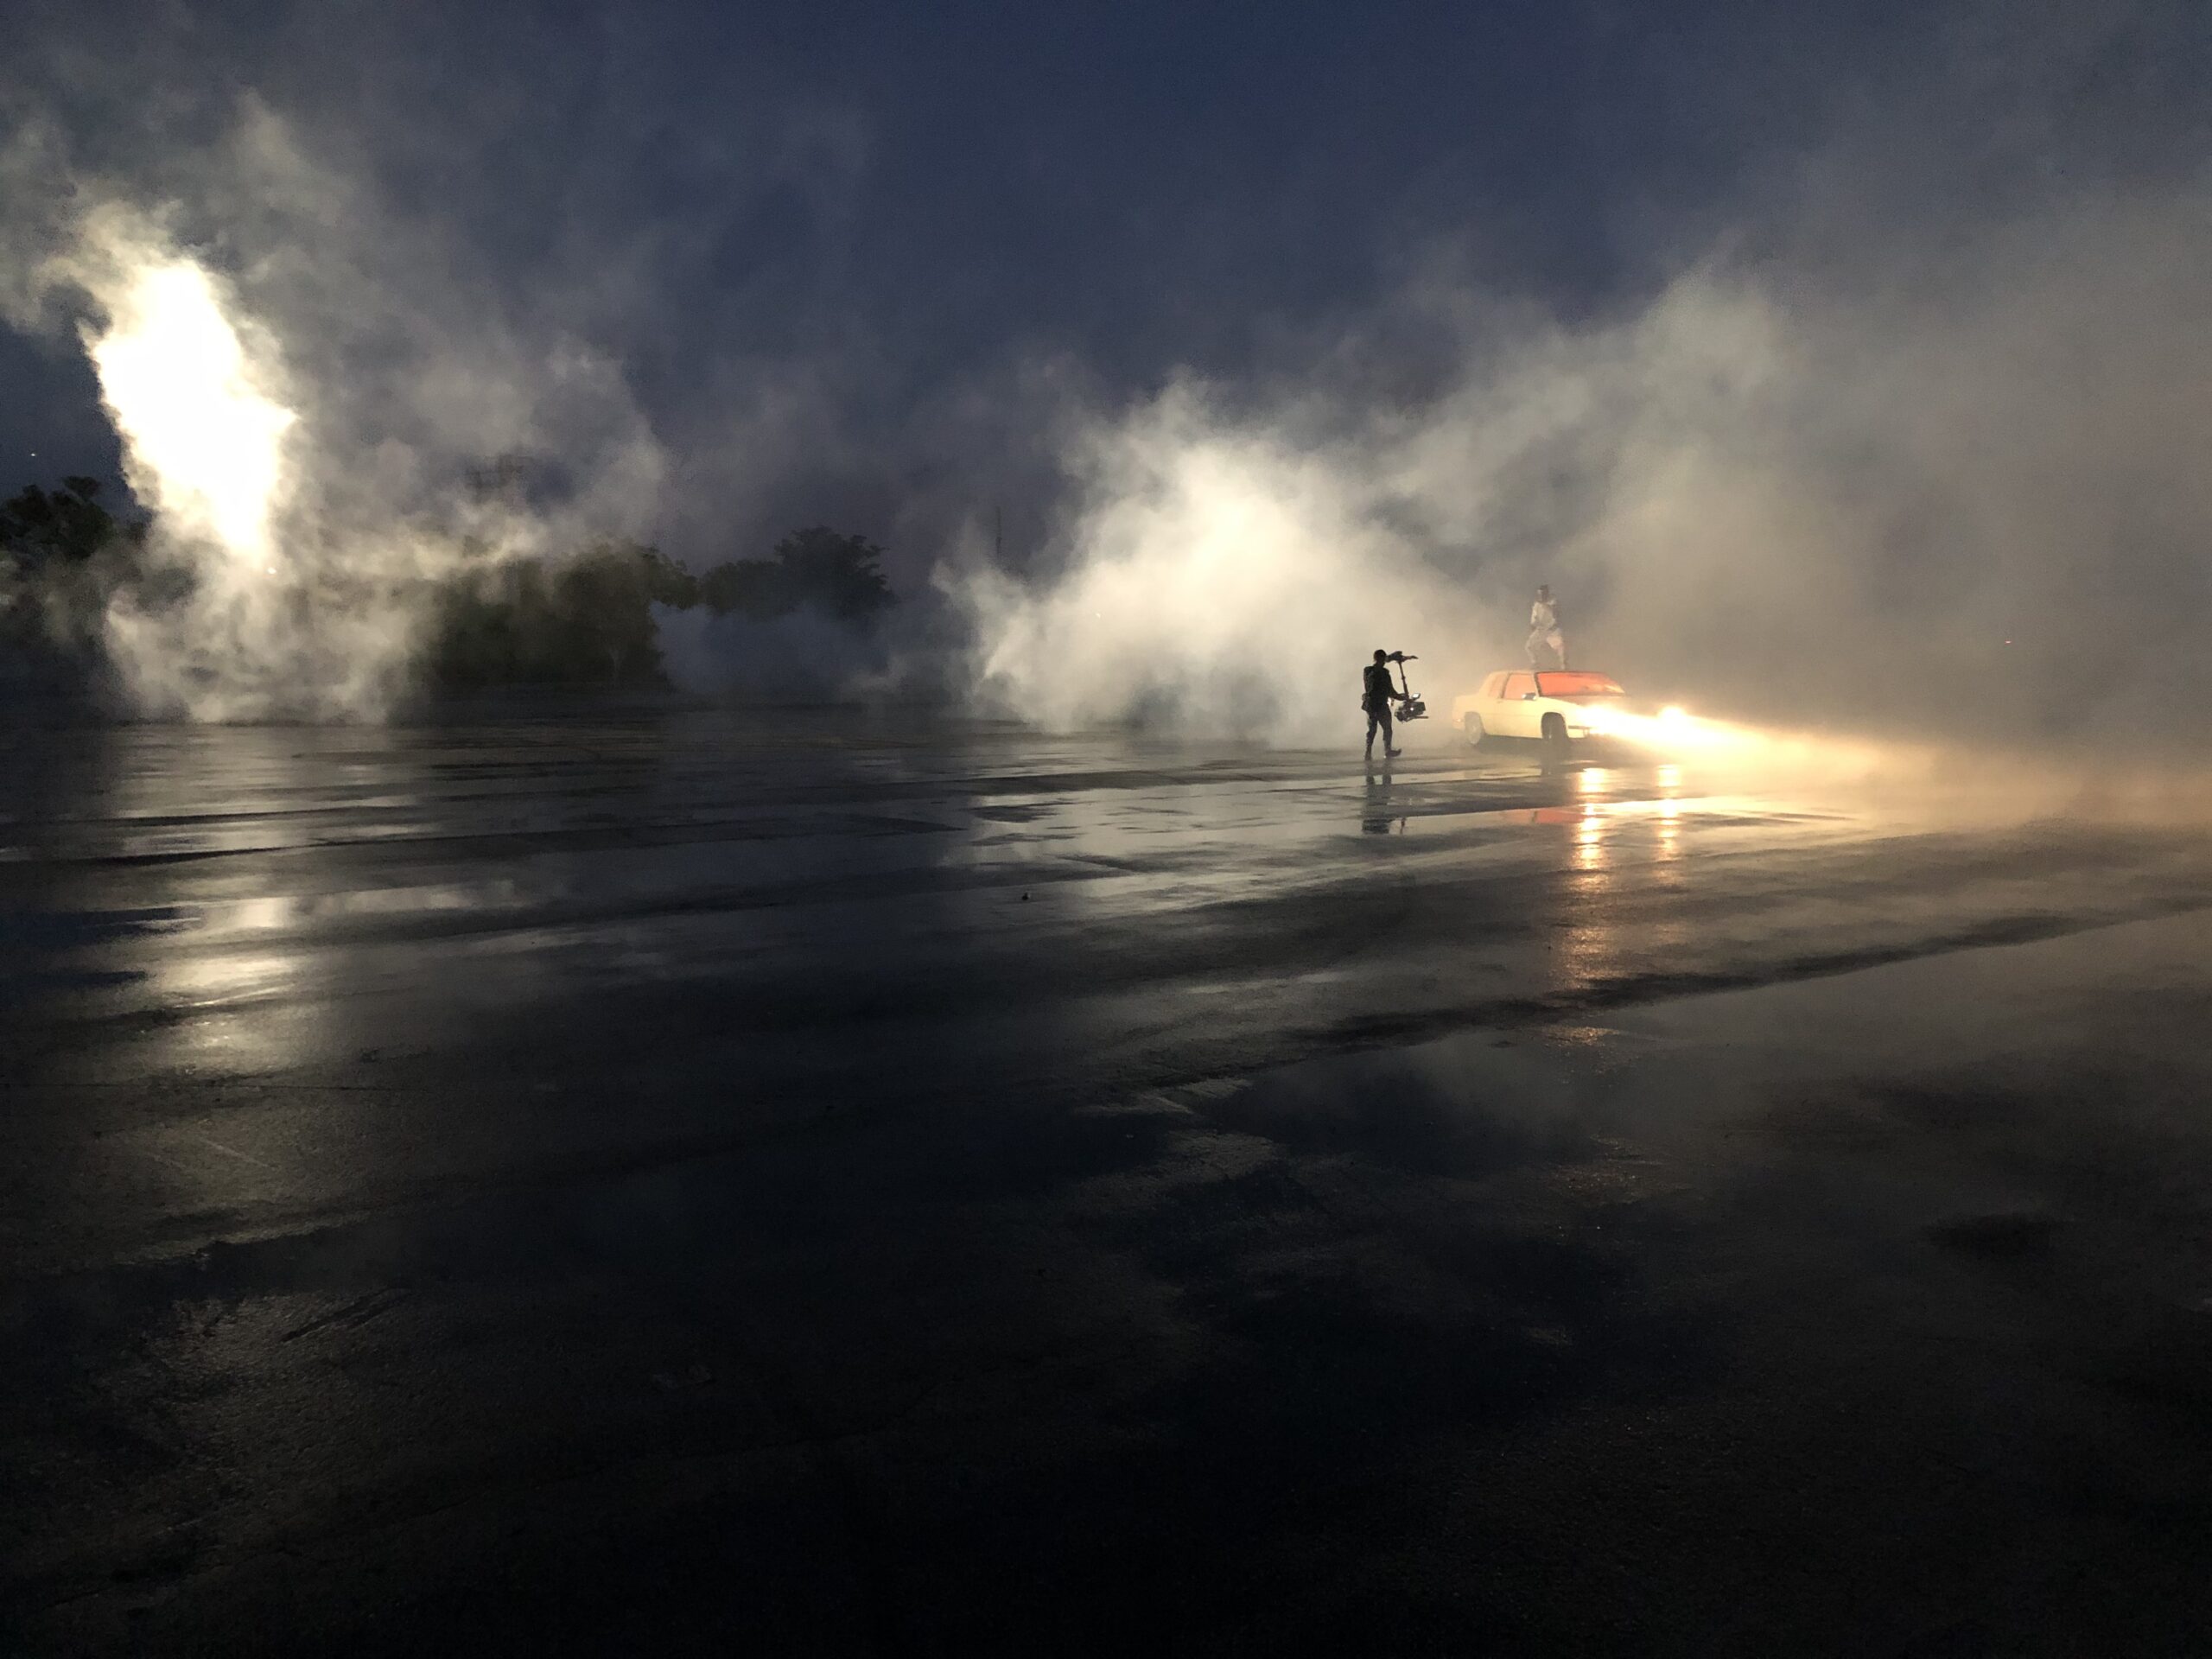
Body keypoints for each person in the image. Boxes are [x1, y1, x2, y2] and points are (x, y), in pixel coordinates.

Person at [1362, 648, 1403, 761]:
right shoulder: (1383, 673)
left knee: (1373, 729)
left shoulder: (1367, 671)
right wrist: (1401, 697)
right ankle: (1385, 750)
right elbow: (1390, 690)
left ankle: (1369, 752)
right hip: (1379, 704)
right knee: (1385, 728)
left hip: (1371, 704)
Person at [1526, 583, 1567, 669]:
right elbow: (1534, 619)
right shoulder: (1536, 605)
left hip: (1552, 630)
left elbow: (1555, 613)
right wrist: (1533, 627)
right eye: (1539, 594)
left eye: (1543, 594)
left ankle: (1563, 665)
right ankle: (1535, 663)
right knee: (1529, 646)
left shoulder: (1553, 602)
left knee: (1561, 646)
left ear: (1546, 594)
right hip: (1541, 630)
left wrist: (1545, 605)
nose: (1541, 596)